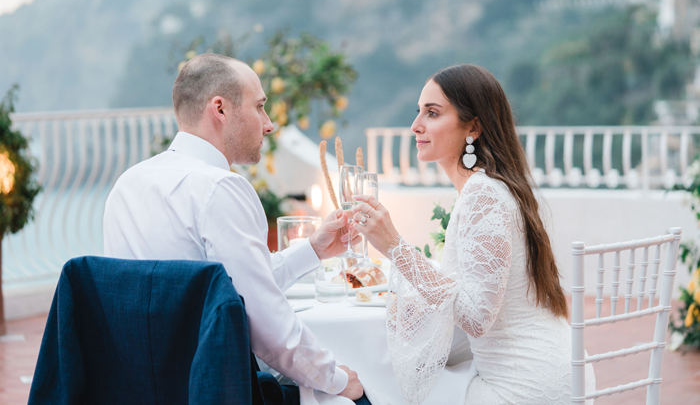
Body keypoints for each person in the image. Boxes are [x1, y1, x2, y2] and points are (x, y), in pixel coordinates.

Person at [103, 53, 367, 403]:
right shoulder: (219, 188)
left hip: (140, 388)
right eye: (259, 107)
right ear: (221, 109)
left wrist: (314, 249)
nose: (269, 123)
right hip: (213, 388)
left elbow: (225, 290)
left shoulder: (127, 184)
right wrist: (336, 380)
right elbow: (270, 328)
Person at [351, 64, 595, 404]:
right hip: (564, 370)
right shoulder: (495, 186)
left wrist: (394, 246)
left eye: (432, 113)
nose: (415, 125)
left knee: (379, 380)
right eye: (418, 111)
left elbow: (476, 317)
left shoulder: (484, 194)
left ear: (473, 127)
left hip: (529, 387)